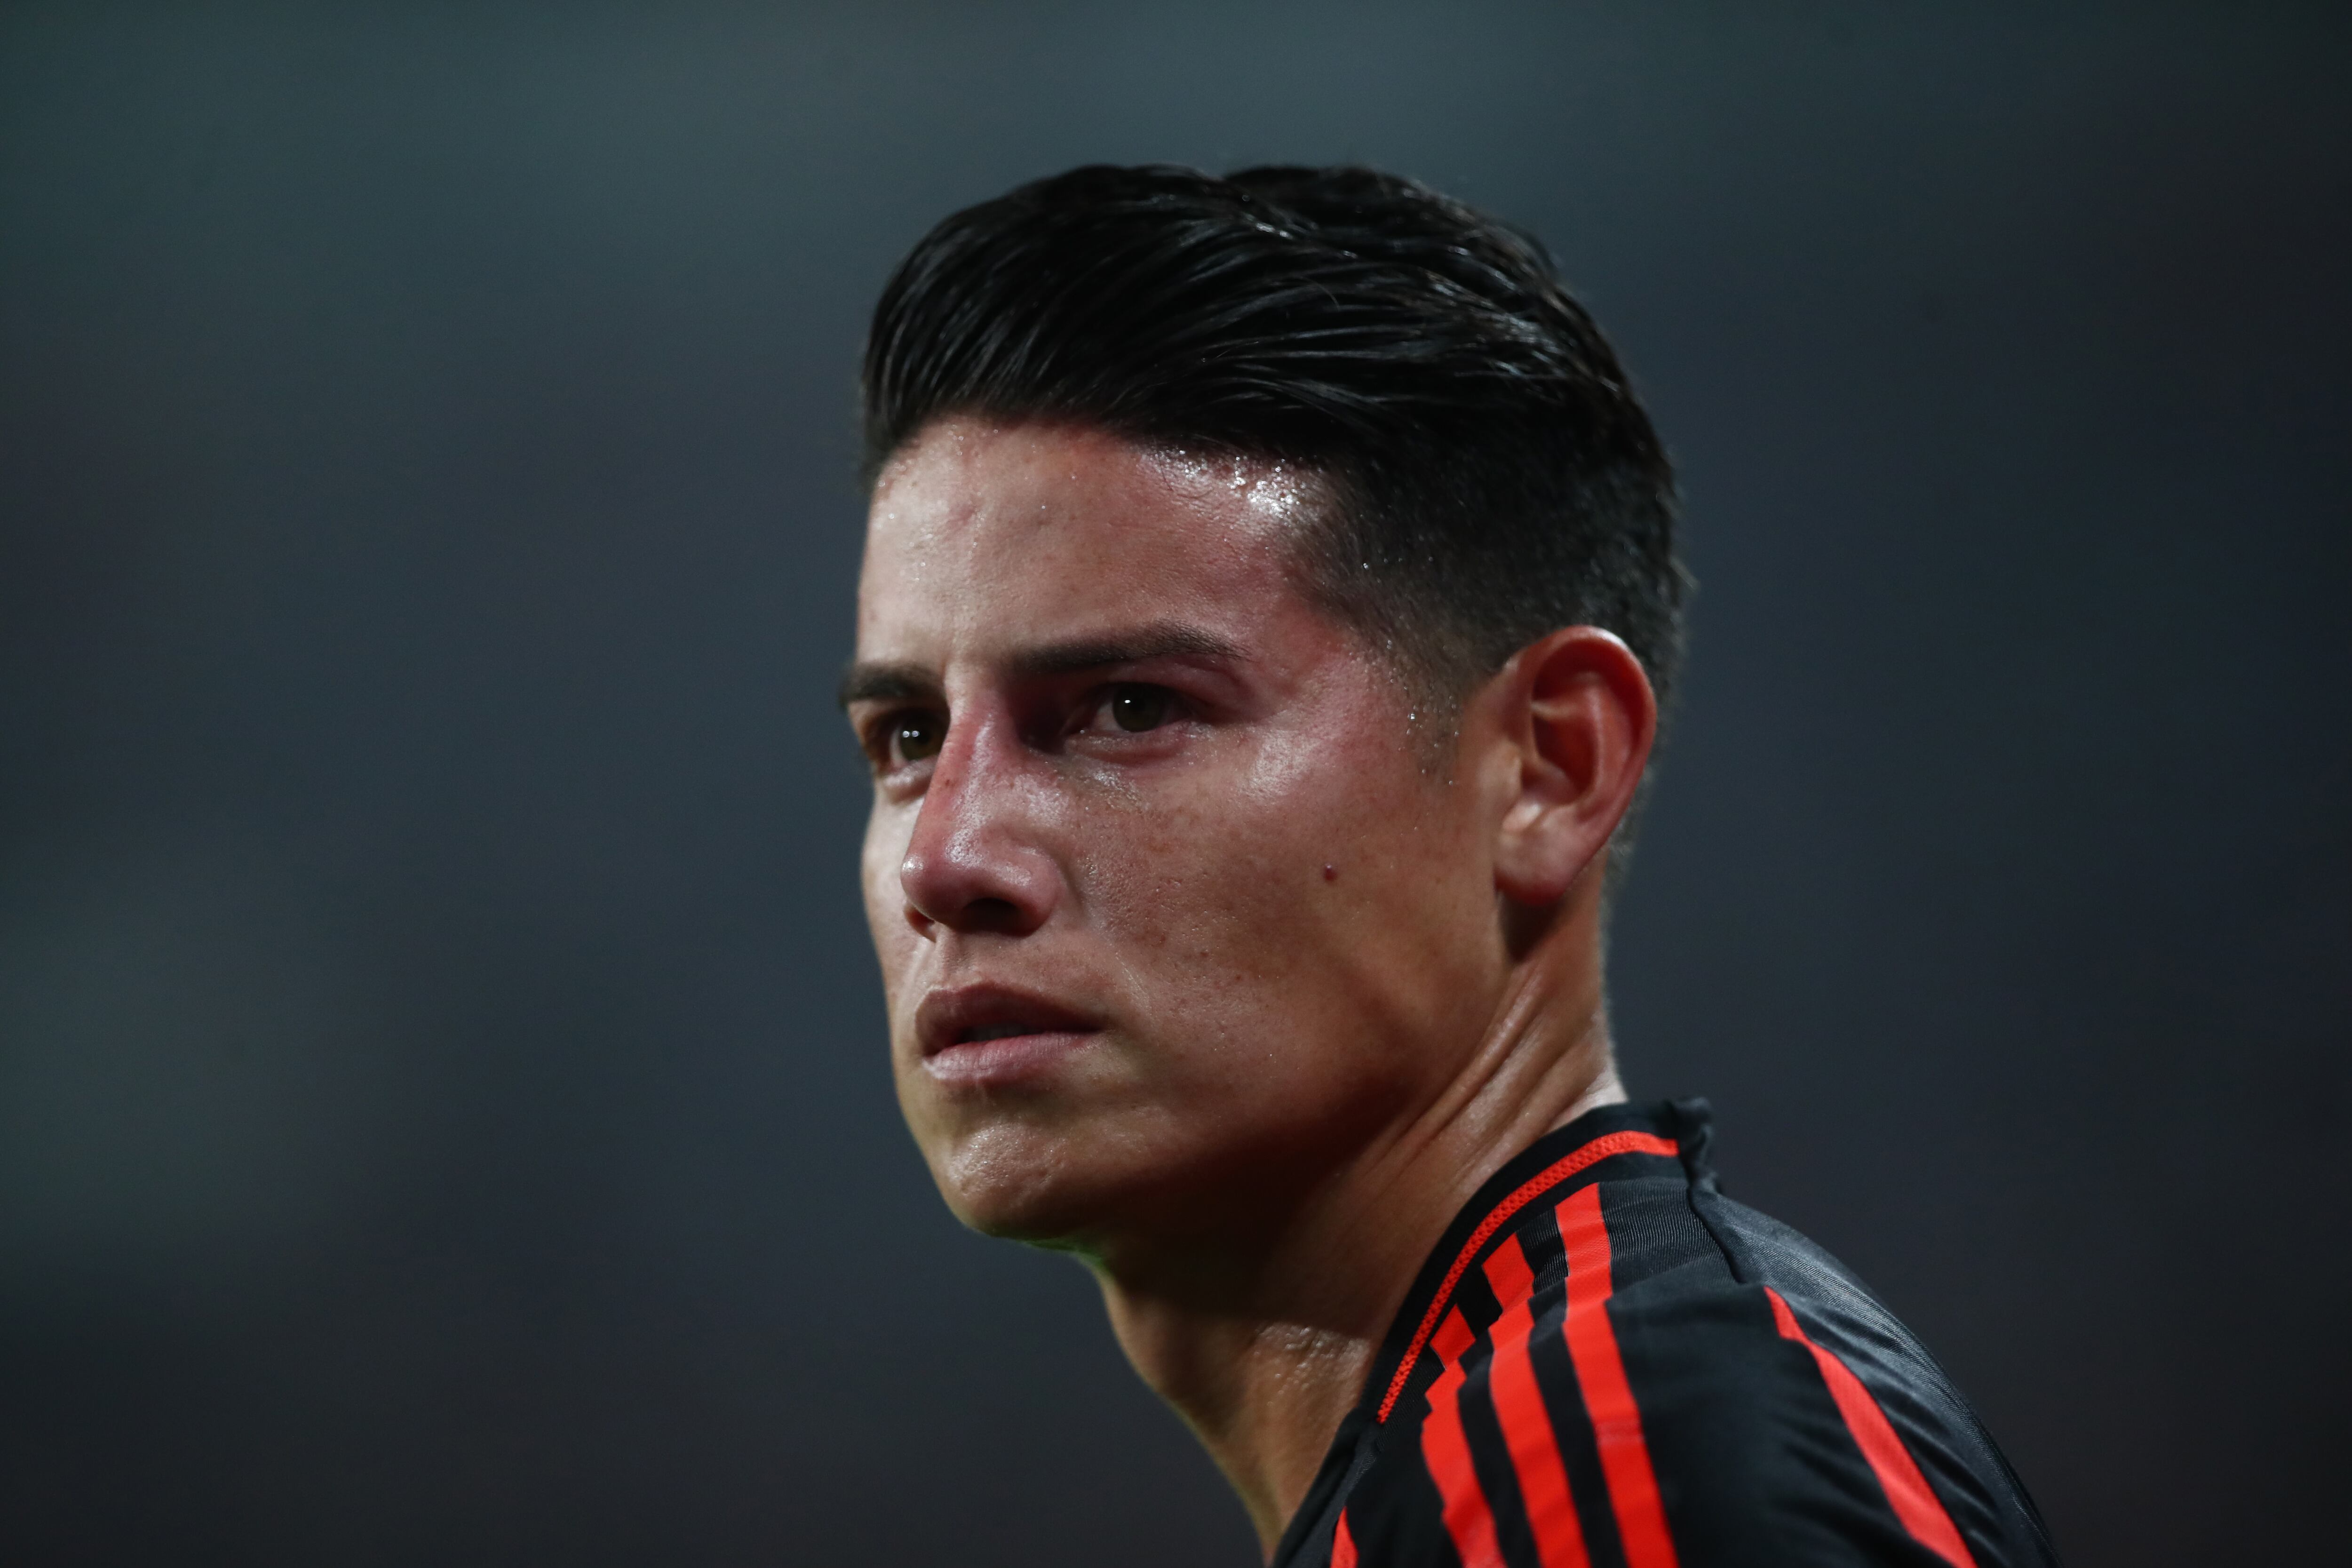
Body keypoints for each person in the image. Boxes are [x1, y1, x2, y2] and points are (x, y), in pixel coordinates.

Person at [839, 163, 2057, 1568]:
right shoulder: (1545, 1432)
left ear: (1548, 769)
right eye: (910, 734)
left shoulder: (1612, 1464)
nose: (947, 855)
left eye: (1130, 708)